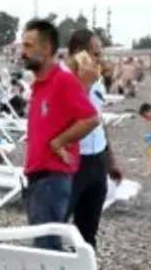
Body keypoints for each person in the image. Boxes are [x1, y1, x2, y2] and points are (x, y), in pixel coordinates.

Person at [19, 19, 100, 250]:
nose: (22, 52)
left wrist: (60, 142)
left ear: (45, 49)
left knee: (47, 250)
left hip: (52, 179)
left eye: (28, 45)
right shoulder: (38, 85)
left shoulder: (63, 80)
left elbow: (91, 118)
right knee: (45, 247)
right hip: (36, 178)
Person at [65, 28, 123, 249]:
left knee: (88, 232)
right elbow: (64, 117)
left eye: (100, 53)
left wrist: (110, 160)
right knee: (54, 227)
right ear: (79, 54)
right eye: (95, 54)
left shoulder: (96, 80)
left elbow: (97, 121)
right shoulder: (60, 79)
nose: (100, 59)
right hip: (71, 161)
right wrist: (85, 83)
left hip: (96, 159)